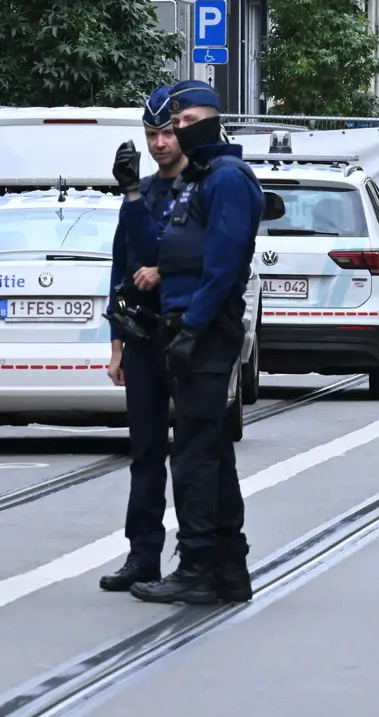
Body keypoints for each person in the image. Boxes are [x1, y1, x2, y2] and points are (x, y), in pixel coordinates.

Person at [131, 80, 262, 606]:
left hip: (205, 330)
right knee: (210, 452)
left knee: (192, 455)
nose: (175, 134)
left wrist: (193, 327)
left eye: (183, 124)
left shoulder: (227, 179)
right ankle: (228, 567)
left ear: (209, 120)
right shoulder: (199, 180)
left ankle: (198, 563)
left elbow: (224, 264)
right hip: (186, 326)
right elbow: (164, 250)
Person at [97, 87, 186, 594]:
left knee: (193, 448)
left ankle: (193, 552)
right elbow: (122, 266)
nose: (158, 144)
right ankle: (142, 554)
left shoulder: (191, 190)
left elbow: (162, 250)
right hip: (143, 337)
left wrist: (132, 197)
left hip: (185, 331)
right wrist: (116, 345)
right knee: (146, 450)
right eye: (151, 134)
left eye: (167, 133)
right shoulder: (146, 190)